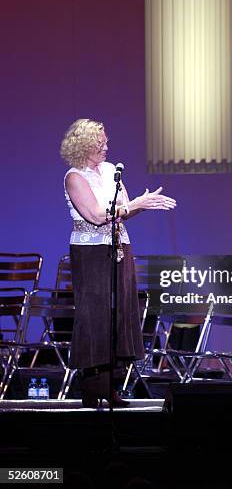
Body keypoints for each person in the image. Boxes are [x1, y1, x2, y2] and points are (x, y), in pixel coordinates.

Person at [60, 118, 176, 407]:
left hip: (119, 246)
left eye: (106, 142)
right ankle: (91, 386)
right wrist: (135, 204)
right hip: (91, 253)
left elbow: (122, 212)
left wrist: (142, 203)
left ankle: (111, 385)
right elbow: (98, 216)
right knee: (96, 314)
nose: (107, 147)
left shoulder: (112, 171)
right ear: (85, 146)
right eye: (101, 144)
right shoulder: (74, 177)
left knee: (120, 312)